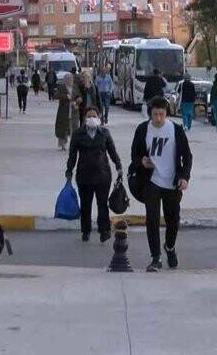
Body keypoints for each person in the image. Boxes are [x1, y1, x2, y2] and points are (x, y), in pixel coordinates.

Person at [131, 97, 192, 272]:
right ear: (150, 113)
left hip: (172, 181)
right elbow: (134, 154)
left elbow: (187, 157)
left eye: (161, 114)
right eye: (155, 114)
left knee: (173, 220)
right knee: (152, 218)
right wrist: (141, 161)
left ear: (166, 114)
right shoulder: (143, 130)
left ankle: (170, 247)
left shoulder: (175, 130)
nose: (158, 118)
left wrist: (184, 177)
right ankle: (155, 257)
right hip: (151, 180)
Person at [66, 106, 122, 243]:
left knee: (102, 204)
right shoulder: (78, 134)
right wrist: (69, 170)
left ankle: (104, 230)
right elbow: (72, 155)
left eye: (94, 116)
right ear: (85, 118)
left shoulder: (105, 133)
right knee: (86, 205)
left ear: (99, 118)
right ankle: (86, 231)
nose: (91, 119)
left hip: (102, 174)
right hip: (84, 175)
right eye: (89, 116)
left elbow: (112, 151)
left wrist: (118, 165)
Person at [55, 74, 74, 151]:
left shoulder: (75, 87)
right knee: (62, 128)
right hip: (63, 111)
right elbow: (56, 95)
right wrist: (66, 96)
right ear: (65, 80)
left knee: (72, 128)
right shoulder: (61, 87)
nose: (70, 80)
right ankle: (63, 144)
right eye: (68, 79)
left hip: (73, 111)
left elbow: (79, 95)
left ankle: (73, 144)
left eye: (71, 79)